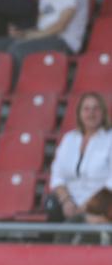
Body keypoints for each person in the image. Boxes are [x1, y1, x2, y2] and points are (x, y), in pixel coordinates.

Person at [48, 93, 112, 224]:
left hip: (101, 200)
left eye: (96, 108)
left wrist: (86, 207)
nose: (91, 113)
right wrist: (66, 201)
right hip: (70, 200)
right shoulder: (69, 139)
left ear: (103, 112)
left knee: (74, 223)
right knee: (51, 204)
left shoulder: (109, 138)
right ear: (79, 113)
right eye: (86, 109)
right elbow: (57, 175)